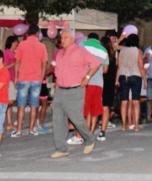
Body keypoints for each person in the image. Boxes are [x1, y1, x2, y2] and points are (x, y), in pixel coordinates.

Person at [50, 29, 100, 159]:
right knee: (58, 120)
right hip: (61, 90)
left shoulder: (80, 51)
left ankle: (89, 138)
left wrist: (87, 78)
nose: (63, 39)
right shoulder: (60, 54)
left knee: (76, 118)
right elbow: (58, 73)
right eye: (62, 37)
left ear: (72, 39)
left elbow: (95, 63)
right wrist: (56, 90)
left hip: (75, 89)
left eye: (66, 37)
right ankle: (61, 148)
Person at [13, 24, 47, 137]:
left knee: (21, 105)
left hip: (23, 78)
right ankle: (32, 128)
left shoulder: (22, 45)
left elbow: (17, 62)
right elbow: (44, 64)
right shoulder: (42, 46)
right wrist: (41, 78)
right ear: (37, 33)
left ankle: (18, 130)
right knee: (34, 105)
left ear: (27, 33)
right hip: (36, 78)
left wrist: (16, 77)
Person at [81, 33, 108, 137]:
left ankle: (85, 132)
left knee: (85, 108)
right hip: (99, 83)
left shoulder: (83, 44)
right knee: (95, 109)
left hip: (85, 81)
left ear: (88, 38)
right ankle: (91, 131)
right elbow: (105, 70)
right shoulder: (104, 50)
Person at [116, 34, 145, 131]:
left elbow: (119, 66)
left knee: (124, 101)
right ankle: (136, 125)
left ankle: (124, 125)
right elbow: (141, 67)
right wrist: (145, 80)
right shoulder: (138, 51)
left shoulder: (122, 51)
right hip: (135, 75)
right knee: (135, 101)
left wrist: (116, 79)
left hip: (123, 75)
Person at [98, 35, 117, 141]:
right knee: (106, 108)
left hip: (99, 82)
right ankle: (102, 131)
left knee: (96, 106)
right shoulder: (113, 57)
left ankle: (91, 128)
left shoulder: (100, 56)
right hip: (109, 83)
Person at [2, 36, 18, 131]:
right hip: (9, 79)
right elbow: (4, 67)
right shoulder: (6, 53)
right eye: (15, 42)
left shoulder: (14, 53)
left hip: (14, 79)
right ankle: (5, 117)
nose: (16, 44)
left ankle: (9, 123)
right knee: (10, 101)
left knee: (12, 100)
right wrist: (14, 63)